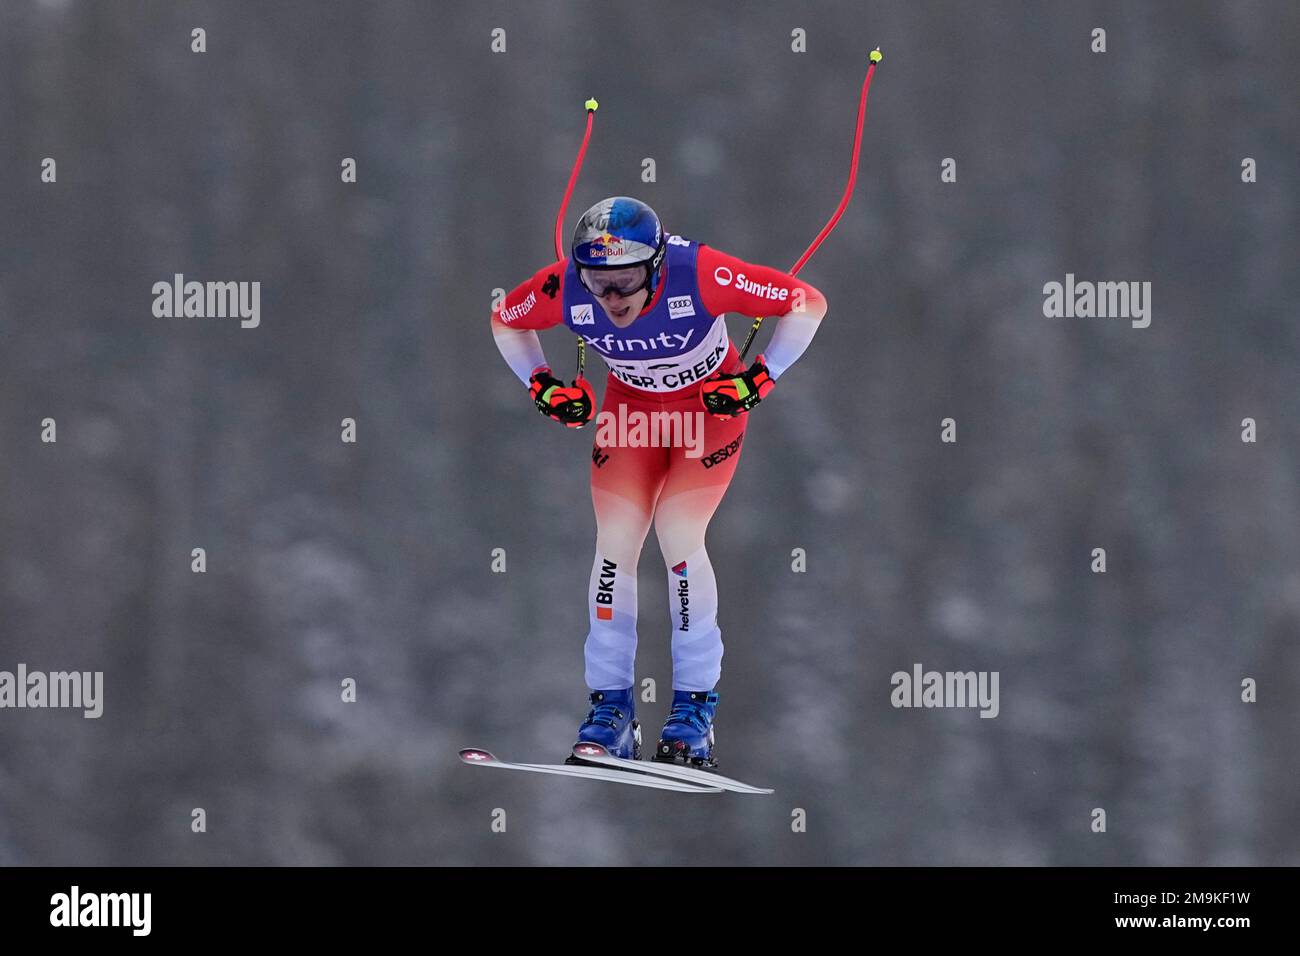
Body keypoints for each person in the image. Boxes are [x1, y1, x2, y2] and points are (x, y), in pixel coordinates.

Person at [490, 196, 828, 767]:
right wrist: (542, 384)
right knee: (613, 548)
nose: (613, 299)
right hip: (630, 415)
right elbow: (506, 317)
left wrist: (759, 379)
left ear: (655, 265)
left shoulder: (698, 272)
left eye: (624, 281)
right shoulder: (565, 286)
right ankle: (612, 712)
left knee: (678, 536)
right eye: (599, 285)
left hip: (709, 410)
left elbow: (807, 301)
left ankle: (693, 715)